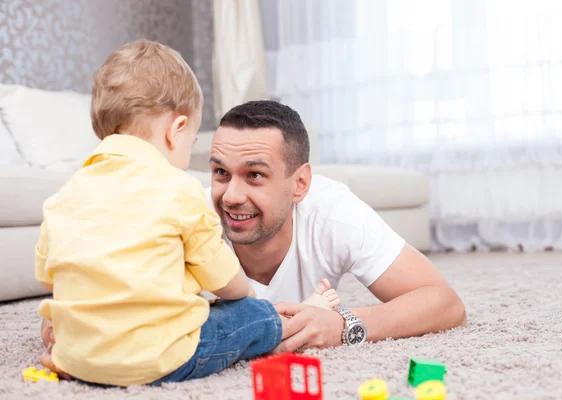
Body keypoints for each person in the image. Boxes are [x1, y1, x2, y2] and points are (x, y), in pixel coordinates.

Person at [34, 39, 340, 386]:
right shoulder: (180, 190)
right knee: (248, 315)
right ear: (176, 129)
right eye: (192, 141)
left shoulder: (63, 196)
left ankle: (85, 360)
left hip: (81, 356)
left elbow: (49, 277)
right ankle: (294, 319)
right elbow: (228, 285)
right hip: (160, 359)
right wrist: (246, 297)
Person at [205, 100, 467, 353]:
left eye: (255, 175)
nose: (231, 197)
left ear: (300, 184)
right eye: (221, 172)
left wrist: (343, 325)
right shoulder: (186, 216)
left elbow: (445, 303)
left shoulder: (332, 212)